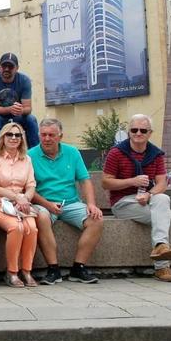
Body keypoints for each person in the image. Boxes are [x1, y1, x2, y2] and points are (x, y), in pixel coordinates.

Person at [102, 114, 171, 282]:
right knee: (161, 217)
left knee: (163, 199)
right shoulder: (116, 153)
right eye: (134, 130)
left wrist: (149, 194)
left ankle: (161, 247)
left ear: (150, 133)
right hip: (122, 202)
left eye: (143, 130)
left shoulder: (156, 154)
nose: (138, 133)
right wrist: (132, 181)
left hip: (146, 199)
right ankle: (162, 267)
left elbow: (161, 183)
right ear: (129, 132)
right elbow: (105, 183)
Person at [29, 118, 104, 285]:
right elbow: (29, 189)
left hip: (70, 203)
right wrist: (48, 205)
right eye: (43, 135)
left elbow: (85, 180)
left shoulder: (73, 152)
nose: (47, 139)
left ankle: (78, 267)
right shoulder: (30, 155)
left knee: (96, 219)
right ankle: (53, 269)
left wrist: (91, 204)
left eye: (51, 135)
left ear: (60, 136)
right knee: (41, 217)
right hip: (43, 202)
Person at [0, 121, 39, 288]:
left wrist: (25, 199)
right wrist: (17, 197)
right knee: (16, 228)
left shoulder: (27, 159)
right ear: (3, 137)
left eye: (18, 135)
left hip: (21, 204)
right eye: (10, 134)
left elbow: (31, 185)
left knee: (32, 228)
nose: (14, 138)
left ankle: (27, 271)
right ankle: (12, 272)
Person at [0, 53, 39, 150]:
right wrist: (10, 109)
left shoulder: (24, 80)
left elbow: (28, 108)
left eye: (10, 66)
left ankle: (35, 154)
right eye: (4, 66)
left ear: (17, 68)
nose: (6, 69)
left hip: (17, 116)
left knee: (31, 119)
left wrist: (21, 110)